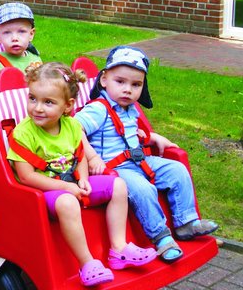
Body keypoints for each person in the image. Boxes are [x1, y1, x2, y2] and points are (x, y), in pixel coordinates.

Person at [7, 62, 156, 287]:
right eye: (33, 98)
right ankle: (87, 263)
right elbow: (27, 177)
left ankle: (119, 248)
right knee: (67, 202)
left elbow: (80, 156)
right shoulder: (24, 133)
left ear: (67, 106)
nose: (37, 108)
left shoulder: (72, 127)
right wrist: (67, 188)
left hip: (73, 184)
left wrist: (83, 178)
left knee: (118, 185)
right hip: (40, 193)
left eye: (48, 102)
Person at [74, 46, 219, 263]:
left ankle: (186, 222)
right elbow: (74, 129)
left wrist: (153, 137)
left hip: (138, 160)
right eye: (120, 82)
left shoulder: (129, 108)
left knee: (176, 170)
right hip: (112, 170)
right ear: (104, 80)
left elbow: (130, 133)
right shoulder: (99, 109)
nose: (128, 90)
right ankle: (161, 238)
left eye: (136, 85)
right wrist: (93, 157)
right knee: (143, 189)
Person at [0, 2, 42, 93]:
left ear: (31, 34)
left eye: (21, 31)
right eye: (7, 32)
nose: (15, 38)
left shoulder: (35, 59)